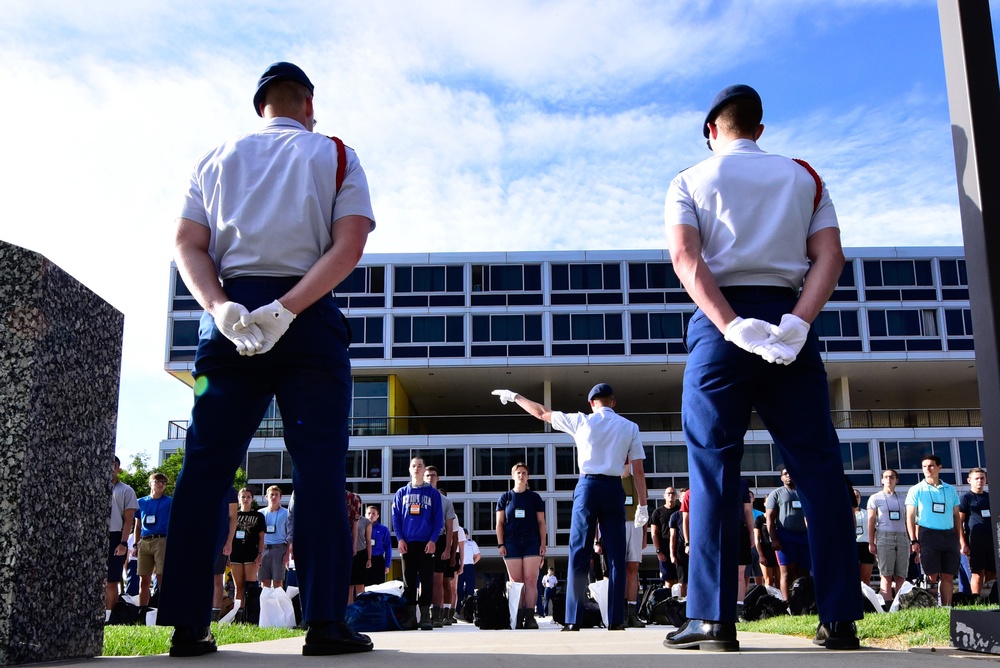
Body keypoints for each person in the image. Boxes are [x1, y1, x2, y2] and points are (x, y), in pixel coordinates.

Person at [156, 60, 375, 657]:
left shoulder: (215, 157)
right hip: (306, 314)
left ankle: (186, 624)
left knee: (206, 466)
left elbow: (187, 243)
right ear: (308, 105)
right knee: (320, 469)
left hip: (228, 317)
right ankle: (327, 622)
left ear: (260, 107)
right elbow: (349, 244)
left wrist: (221, 306)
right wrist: (288, 307)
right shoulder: (334, 154)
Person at [663, 84, 861, 652]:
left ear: (711, 131)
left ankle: (713, 619)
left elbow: (686, 258)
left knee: (714, 470)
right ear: (760, 128)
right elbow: (831, 256)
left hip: (720, 323)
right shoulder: (804, 176)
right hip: (787, 320)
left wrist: (729, 325)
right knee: (818, 467)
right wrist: (797, 321)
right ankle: (840, 616)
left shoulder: (689, 179)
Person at [492, 384, 647, 631]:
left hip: (588, 487)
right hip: (613, 489)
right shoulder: (630, 427)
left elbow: (541, 412)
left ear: (591, 403)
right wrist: (643, 506)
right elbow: (638, 470)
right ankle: (616, 619)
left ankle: (573, 619)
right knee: (616, 556)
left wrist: (515, 397)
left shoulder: (582, 421)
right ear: (613, 402)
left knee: (579, 552)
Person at [391, 456, 444, 631]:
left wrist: (433, 540)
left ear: (424, 470)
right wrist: (399, 539)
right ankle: (411, 617)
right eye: (414, 466)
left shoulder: (433, 494)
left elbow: (438, 519)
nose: (417, 468)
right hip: (407, 543)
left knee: (427, 580)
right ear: (409, 469)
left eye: (420, 466)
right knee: (409, 582)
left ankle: (425, 617)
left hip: (426, 543)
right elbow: (396, 518)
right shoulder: (401, 493)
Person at [496, 462, 547, 629]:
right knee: (516, 581)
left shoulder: (534, 498)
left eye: (524, 472)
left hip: (532, 541)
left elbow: (541, 522)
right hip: (511, 542)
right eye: (518, 472)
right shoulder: (505, 498)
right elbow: (499, 523)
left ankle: (530, 616)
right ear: (513, 476)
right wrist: (501, 544)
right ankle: (517, 617)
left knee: (531, 580)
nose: (521, 475)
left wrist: (543, 544)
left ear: (528, 476)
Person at [906, 454, 962, 606]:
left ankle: (946, 607)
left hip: (949, 534)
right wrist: (914, 540)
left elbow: (956, 516)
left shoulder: (950, 489)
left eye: (931, 466)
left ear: (939, 467)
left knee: (948, 575)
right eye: (924, 466)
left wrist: (960, 538)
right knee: (931, 576)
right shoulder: (916, 489)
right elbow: (910, 516)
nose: (927, 469)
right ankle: (931, 607)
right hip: (928, 534)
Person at [867, 469, 909, 604]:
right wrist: (871, 542)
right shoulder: (875, 498)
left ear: (896, 480)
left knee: (901, 573)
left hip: (902, 536)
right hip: (884, 536)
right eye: (886, 477)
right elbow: (871, 520)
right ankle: (887, 604)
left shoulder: (903, 498)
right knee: (886, 573)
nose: (889, 479)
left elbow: (909, 520)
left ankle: (900, 603)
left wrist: (912, 539)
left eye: (892, 477)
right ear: (882, 480)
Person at [106, 456, 139, 620]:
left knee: (112, 579)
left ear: (119, 469)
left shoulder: (126, 490)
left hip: (115, 535)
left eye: (115, 466)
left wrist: (123, 542)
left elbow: (129, 520)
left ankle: (108, 616)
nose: (111, 468)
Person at [424, 466, 456, 627]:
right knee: (424, 579)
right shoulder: (419, 497)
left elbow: (450, 528)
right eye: (427, 475)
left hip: (440, 540)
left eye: (433, 475)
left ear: (438, 478)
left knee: (438, 579)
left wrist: (448, 549)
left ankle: (436, 614)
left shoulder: (446, 502)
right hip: (422, 540)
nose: (430, 478)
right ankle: (424, 614)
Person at [133, 472, 171, 608]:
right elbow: (137, 525)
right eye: (158, 481)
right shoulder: (141, 502)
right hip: (144, 540)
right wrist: (135, 545)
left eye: (164, 482)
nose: (161, 484)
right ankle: (142, 610)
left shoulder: (169, 501)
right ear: (150, 483)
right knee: (144, 579)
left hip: (161, 540)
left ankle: (163, 610)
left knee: (161, 578)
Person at [959, 468, 995, 595]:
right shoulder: (965, 498)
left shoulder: (990, 497)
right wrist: (963, 544)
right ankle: (975, 598)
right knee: (977, 572)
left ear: (986, 480)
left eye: (982, 478)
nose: (980, 480)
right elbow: (959, 522)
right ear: (969, 480)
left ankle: (989, 597)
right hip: (975, 539)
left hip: (991, 539)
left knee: (993, 571)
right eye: (976, 478)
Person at [621, 461, 647, 627]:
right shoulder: (613, 479)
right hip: (618, 525)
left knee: (633, 569)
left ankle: (632, 613)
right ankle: (620, 612)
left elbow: (644, 507)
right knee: (619, 570)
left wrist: (645, 534)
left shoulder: (636, 480)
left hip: (636, 525)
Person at [230, 488, 265, 605]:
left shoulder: (258, 516)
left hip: (251, 553)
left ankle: (250, 615)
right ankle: (239, 615)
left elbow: (261, 538)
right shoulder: (234, 515)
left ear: (252, 499)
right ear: (239, 499)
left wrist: (260, 555)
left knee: (250, 587)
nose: (245, 499)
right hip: (235, 553)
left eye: (248, 497)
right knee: (238, 587)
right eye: (243, 497)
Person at [213, 487, 239, 620]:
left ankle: (215, 613)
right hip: (202, 539)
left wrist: (229, 542)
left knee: (217, 577)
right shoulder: (201, 486)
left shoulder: (229, 490)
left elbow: (233, 517)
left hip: (220, 539)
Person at [258, 486, 291, 590]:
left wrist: (287, 554)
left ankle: (277, 605)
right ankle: (265, 605)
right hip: (264, 548)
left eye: (276, 495)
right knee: (265, 581)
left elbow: (289, 534)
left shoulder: (286, 513)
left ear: (280, 497)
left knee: (278, 581)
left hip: (279, 548)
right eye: (272, 494)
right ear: (267, 496)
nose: (274, 497)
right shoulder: (260, 513)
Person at [649, 488, 680, 588]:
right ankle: (669, 601)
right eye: (669, 493)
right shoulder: (657, 512)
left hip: (679, 546)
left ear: (676, 496)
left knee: (681, 578)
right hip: (664, 547)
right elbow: (654, 533)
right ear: (664, 496)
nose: (671, 495)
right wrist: (658, 551)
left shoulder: (680, 511)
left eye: (673, 493)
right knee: (668, 579)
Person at [852, 489, 874, 589]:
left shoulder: (867, 513)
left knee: (865, 580)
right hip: (852, 545)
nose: (855, 498)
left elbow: (875, 529)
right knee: (852, 577)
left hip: (866, 545)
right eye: (853, 496)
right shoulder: (844, 514)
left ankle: (866, 601)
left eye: (857, 496)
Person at [366, 505, 392, 586]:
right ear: (365, 515)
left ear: (378, 516)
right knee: (364, 586)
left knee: (379, 587)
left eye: (373, 513)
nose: (371, 515)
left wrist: (387, 565)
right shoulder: (361, 528)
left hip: (378, 560)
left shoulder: (383, 529)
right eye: (369, 513)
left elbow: (388, 547)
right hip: (364, 559)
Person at [668, 492, 688, 597]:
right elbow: (673, 536)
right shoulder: (675, 516)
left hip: (696, 550)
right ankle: (684, 603)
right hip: (681, 549)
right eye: (683, 497)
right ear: (680, 499)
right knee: (682, 581)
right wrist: (672, 554)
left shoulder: (697, 512)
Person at [457, 533, 481, 610]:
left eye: (464, 534)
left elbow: (478, 556)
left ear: (467, 535)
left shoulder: (471, 543)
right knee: (458, 589)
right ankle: (457, 609)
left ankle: (470, 609)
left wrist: (471, 563)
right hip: (458, 566)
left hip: (469, 567)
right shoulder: (456, 542)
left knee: (470, 589)